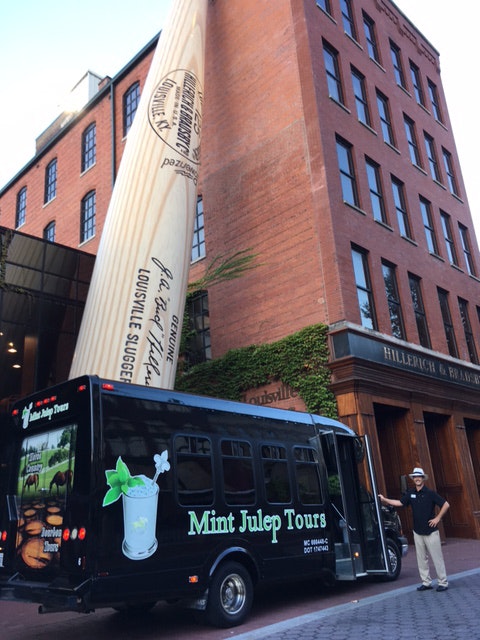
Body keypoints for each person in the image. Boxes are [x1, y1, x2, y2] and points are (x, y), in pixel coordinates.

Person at [379, 466, 450, 592]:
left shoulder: (430, 493)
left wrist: (438, 518)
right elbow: (400, 503)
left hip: (431, 531)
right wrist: (385, 500)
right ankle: (426, 582)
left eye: (419, 476)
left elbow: (445, 504)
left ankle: (442, 582)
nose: (417, 478)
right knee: (421, 559)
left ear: (423, 478)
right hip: (417, 532)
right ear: (413, 479)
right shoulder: (410, 493)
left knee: (437, 557)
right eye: (415, 477)